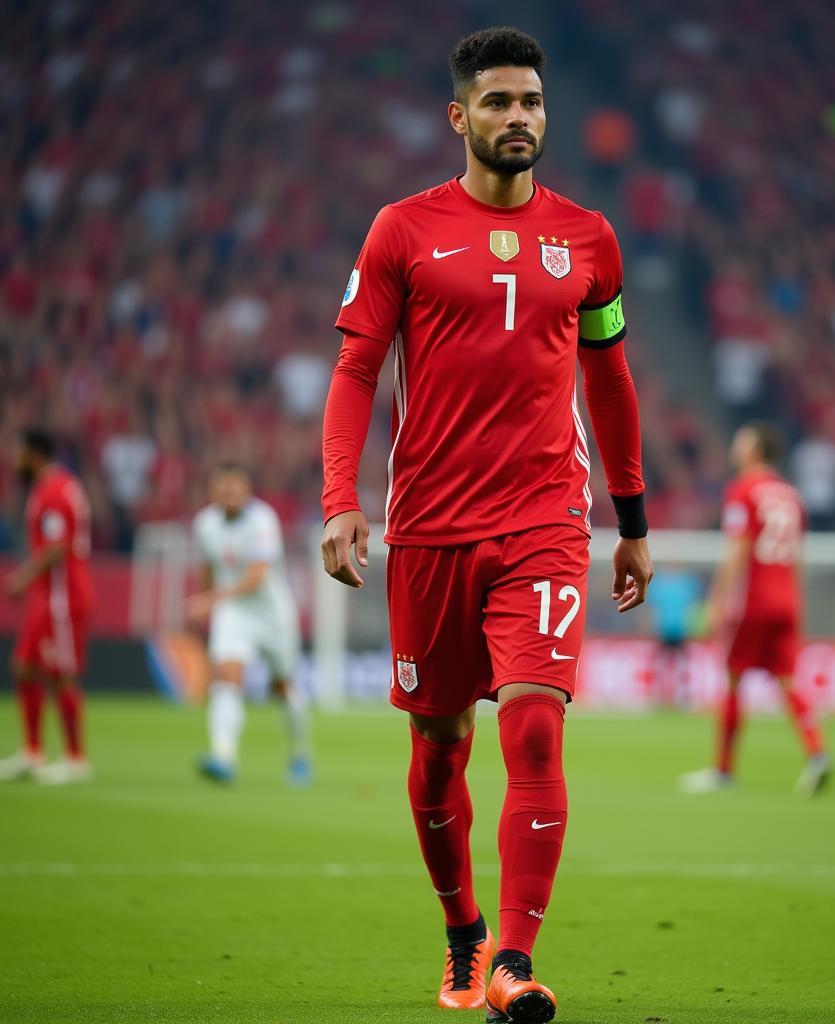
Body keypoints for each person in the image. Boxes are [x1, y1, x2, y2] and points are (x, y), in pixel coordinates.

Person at [320, 27, 653, 1024]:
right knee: (436, 745)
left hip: (547, 518)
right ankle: (462, 927)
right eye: (500, 102)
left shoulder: (589, 239)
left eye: (532, 102)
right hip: (428, 525)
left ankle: (515, 957)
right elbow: (354, 371)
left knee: (536, 726)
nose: (520, 118)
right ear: (459, 117)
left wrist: (630, 518)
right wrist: (341, 499)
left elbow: (611, 379)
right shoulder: (402, 231)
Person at [682, 423, 832, 796]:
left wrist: (716, 602)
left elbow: (738, 549)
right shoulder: (791, 495)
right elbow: (795, 553)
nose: (736, 445)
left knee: (733, 675)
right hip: (787, 600)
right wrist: (797, 603)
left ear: (755, 450)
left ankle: (723, 770)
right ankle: (818, 752)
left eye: (742, 440)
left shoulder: (743, 490)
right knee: (787, 680)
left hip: (755, 600)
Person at [188, 463, 310, 785]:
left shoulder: (262, 519)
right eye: (223, 489)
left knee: (282, 686)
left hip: (272, 612)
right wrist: (209, 602)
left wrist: (210, 599)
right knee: (227, 676)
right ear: (214, 492)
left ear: (246, 492)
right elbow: (207, 569)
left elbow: (257, 576)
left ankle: (299, 752)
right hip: (233, 612)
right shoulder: (204, 524)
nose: (229, 496)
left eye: (235, 489)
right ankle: (223, 756)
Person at [0, 428, 94, 784]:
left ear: (35, 454)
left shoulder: (54, 491)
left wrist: (23, 577)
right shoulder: (53, 486)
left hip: (62, 595)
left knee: (61, 674)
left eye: (18, 452)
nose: (13, 460)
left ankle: (75, 758)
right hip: (47, 595)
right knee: (24, 666)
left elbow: (57, 546)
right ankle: (33, 751)